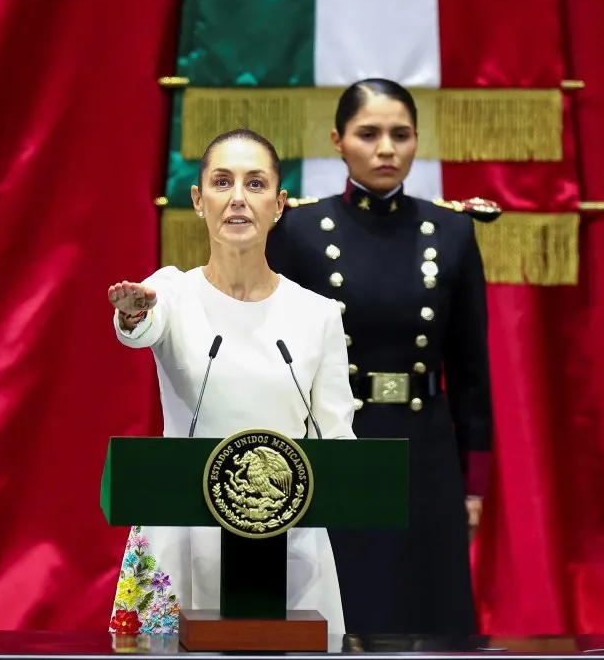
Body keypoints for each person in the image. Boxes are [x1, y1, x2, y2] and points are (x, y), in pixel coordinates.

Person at [265, 78, 494, 636]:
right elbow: (277, 363)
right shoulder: (297, 229)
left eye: (401, 134)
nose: (386, 149)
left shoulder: (452, 230)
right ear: (338, 140)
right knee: (347, 612)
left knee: (431, 616)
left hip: (427, 448)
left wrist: (474, 485)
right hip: (337, 448)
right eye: (368, 134)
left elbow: (470, 372)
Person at [106, 129, 357, 636]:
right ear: (198, 200)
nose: (238, 197)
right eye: (222, 182)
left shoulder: (318, 314)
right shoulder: (170, 292)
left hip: (287, 542)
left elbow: (338, 442)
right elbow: (139, 328)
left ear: (280, 204)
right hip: (182, 530)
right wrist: (132, 316)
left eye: (256, 183)